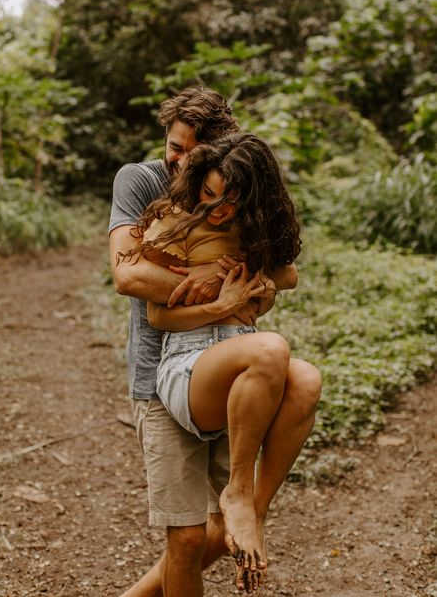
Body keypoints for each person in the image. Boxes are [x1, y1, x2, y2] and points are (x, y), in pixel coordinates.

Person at [109, 87, 321, 596]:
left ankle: (247, 506)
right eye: (174, 148)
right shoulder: (151, 193)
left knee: (305, 376)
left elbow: (282, 276)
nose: (179, 162)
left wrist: (256, 288)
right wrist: (213, 290)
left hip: (234, 366)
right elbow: (129, 278)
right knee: (184, 537)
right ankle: (241, 496)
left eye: (192, 153)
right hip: (167, 369)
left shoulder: (239, 198)